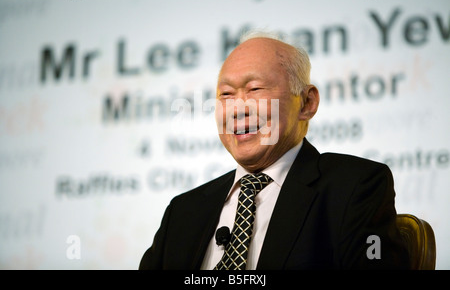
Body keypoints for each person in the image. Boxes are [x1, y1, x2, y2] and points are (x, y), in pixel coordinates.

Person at [139, 31, 410, 270]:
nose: (238, 109)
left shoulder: (355, 187)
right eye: (226, 95)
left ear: (306, 103)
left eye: (255, 89)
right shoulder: (183, 211)